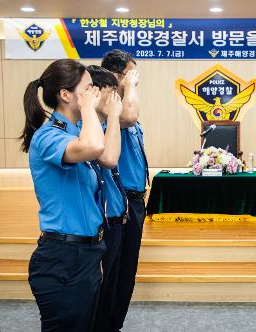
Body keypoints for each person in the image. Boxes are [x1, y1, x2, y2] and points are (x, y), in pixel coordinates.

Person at [20, 59, 106, 331]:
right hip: (62, 258)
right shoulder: (48, 137)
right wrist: (90, 109)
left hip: (86, 253)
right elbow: (93, 147)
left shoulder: (77, 134)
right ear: (66, 95)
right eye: (89, 89)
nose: (96, 94)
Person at [101, 49, 148, 330]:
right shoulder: (108, 105)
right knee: (112, 272)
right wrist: (129, 85)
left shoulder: (124, 101)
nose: (135, 79)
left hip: (135, 200)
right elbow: (129, 118)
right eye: (131, 72)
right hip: (118, 201)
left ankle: (114, 324)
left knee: (127, 272)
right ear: (118, 75)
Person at [85, 65, 130, 332]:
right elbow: (108, 159)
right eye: (113, 92)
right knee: (99, 292)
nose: (116, 99)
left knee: (111, 287)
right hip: (100, 223)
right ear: (97, 92)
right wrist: (114, 117)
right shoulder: (88, 128)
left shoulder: (102, 125)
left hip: (115, 215)